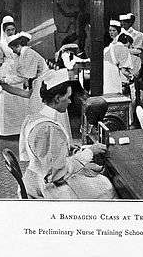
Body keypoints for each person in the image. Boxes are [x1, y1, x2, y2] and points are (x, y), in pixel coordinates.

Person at [19, 69, 116, 199]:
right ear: (58, 98)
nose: (70, 102)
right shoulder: (49, 128)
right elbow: (57, 174)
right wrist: (90, 152)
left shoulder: (33, 118)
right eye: (68, 97)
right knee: (106, 186)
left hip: (35, 178)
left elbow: (37, 154)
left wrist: (66, 150)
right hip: (46, 187)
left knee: (92, 176)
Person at [0, 32, 73, 143]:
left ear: (17, 46)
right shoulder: (24, 55)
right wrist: (5, 86)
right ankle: (43, 141)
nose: (13, 52)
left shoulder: (28, 53)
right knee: (35, 111)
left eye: (13, 49)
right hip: (39, 83)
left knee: (41, 112)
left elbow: (24, 75)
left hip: (45, 83)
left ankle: (51, 142)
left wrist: (5, 80)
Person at [103, 20, 133, 94]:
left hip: (111, 73)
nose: (111, 32)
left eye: (114, 30)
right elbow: (124, 70)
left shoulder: (117, 46)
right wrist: (131, 77)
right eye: (110, 30)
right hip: (109, 73)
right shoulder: (112, 46)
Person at [119, 13, 143, 78]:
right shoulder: (117, 34)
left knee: (132, 82)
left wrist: (125, 50)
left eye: (125, 21)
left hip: (133, 61)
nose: (123, 23)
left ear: (131, 22)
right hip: (120, 61)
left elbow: (139, 51)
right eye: (122, 21)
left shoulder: (139, 35)